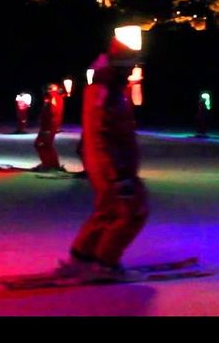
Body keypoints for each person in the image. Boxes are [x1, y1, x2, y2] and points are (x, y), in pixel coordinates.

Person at [58, 31, 149, 280]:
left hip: (108, 164)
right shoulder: (106, 90)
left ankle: (82, 257)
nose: (133, 68)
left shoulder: (107, 86)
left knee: (109, 210)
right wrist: (117, 172)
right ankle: (105, 263)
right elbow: (101, 132)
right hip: (114, 166)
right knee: (133, 211)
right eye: (131, 62)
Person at [32, 83, 66, 172]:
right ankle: (50, 164)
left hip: (49, 126)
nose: (47, 90)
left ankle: (49, 164)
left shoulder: (53, 97)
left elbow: (53, 111)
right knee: (45, 145)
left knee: (42, 144)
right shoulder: (52, 97)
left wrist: (48, 127)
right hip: (48, 125)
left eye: (49, 88)